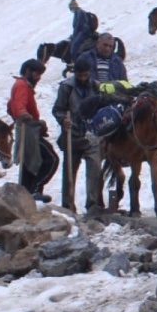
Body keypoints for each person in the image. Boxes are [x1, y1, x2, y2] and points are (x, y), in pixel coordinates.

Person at [53, 54, 103, 213]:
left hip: (91, 135)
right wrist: (63, 120)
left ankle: (92, 204)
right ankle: (68, 205)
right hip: (72, 134)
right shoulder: (66, 87)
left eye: (85, 74)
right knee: (70, 171)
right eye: (80, 75)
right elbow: (58, 109)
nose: (83, 77)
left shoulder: (95, 87)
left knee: (94, 169)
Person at [9, 58, 57, 203]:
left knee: (29, 161)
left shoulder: (23, 85)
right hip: (27, 129)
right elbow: (19, 106)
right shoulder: (22, 85)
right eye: (36, 74)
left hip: (29, 128)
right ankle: (35, 189)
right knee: (50, 158)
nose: (38, 78)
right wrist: (26, 116)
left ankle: (26, 194)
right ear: (28, 71)